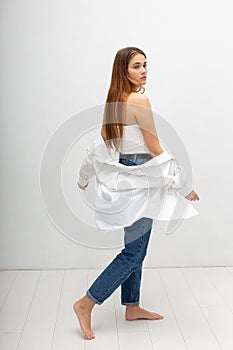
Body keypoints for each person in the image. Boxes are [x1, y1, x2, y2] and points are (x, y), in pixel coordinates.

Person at [73, 46, 200, 340]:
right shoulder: (139, 98)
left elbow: (102, 146)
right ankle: (86, 303)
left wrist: (84, 177)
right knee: (133, 253)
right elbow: (154, 148)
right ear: (123, 71)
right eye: (136, 66)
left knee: (137, 249)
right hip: (142, 177)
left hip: (129, 174)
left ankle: (132, 306)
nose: (144, 70)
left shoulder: (115, 99)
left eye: (145, 64)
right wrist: (184, 185)